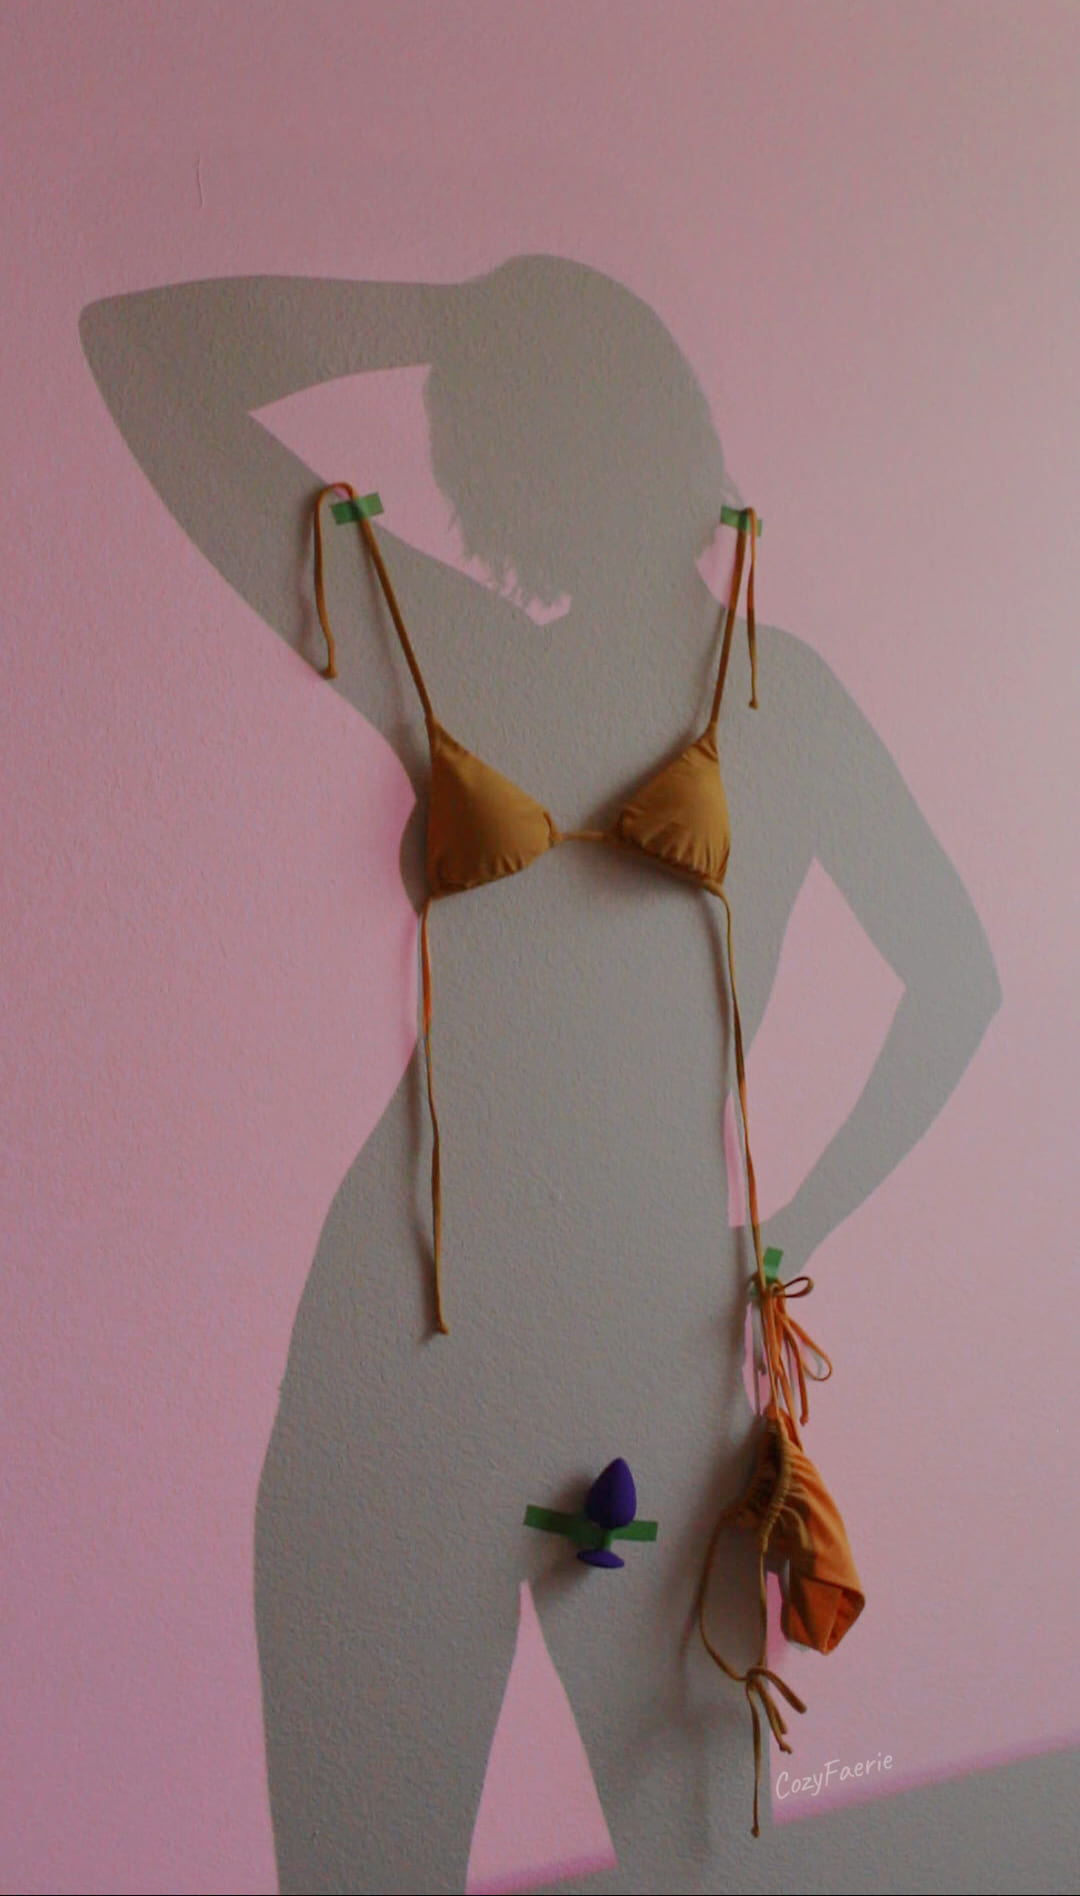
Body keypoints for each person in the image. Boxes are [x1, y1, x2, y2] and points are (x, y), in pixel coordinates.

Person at [80, 257, 1000, 1893]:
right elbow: (137, 350)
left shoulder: (766, 694)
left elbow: (958, 979)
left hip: (640, 1351)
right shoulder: (457, 652)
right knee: (366, 1861)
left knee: (699, 1851)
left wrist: (788, 1231)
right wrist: (467, 315)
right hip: (400, 1354)